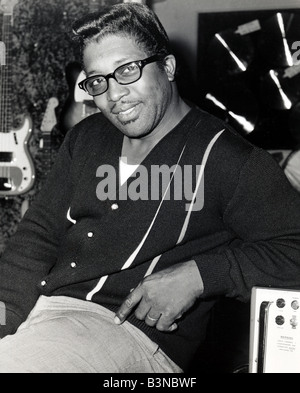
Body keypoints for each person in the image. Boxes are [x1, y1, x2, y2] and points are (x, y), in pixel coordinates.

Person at [0, 3, 300, 373]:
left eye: (127, 70)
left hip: (125, 335)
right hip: (43, 315)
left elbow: (293, 247)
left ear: (168, 67)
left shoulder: (229, 160)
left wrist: (201, 275)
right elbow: (38, 235)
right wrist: (6, 311)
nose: (113, 95)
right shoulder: (86, 137)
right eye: (98, 81)